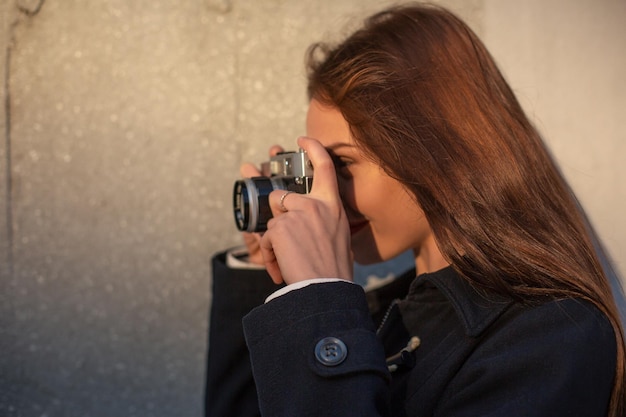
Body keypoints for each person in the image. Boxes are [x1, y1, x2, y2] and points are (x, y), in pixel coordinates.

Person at [205, 3, 626, 416]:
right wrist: (271, 281)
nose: (321, 194)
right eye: (313, 170)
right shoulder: (376, 312)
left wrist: (319, 305)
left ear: (440, 154)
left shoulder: (552, 337)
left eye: (341, 165)